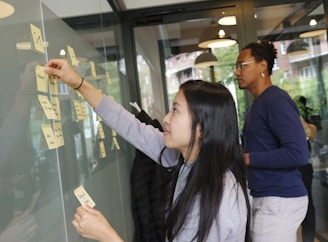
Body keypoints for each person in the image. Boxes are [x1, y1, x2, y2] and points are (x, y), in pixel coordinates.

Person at [44, 58, 250, 242]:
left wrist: (106, 235)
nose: (166, 119)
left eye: (176, 111)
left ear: (201, 129)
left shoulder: (218, 194)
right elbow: (129, 126)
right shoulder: (184, 159)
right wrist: (78, 83)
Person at [235, 40, 309, 242]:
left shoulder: (276, 100)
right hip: (266, 196)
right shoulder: (256, 105)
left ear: (262, 66)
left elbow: (298, 153)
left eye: (242, 65)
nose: (237, 72)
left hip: (280, 198)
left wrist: (248, 158)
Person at [294, 95, 317, 242]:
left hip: (303, 166)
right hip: (293, 167)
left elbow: (311, 133)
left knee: (307, 205)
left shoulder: (299, 117)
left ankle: (308, 239)